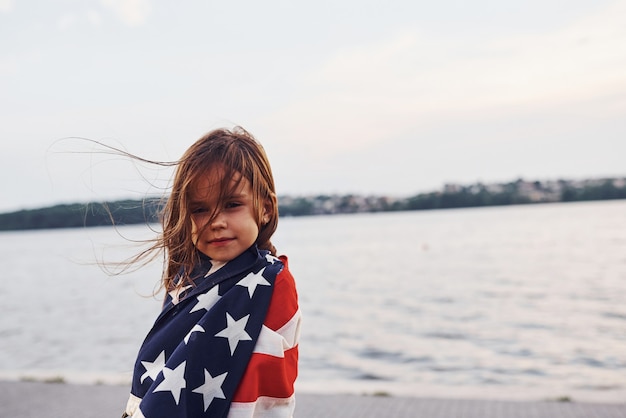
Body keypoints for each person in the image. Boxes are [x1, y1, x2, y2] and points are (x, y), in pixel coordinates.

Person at [122, 127, 301, 418]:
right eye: (200, 209)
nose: (216, 222)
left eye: (232, 205)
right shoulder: (189, 278)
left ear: (266, 208)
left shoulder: (271, 280)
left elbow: (262, 384)